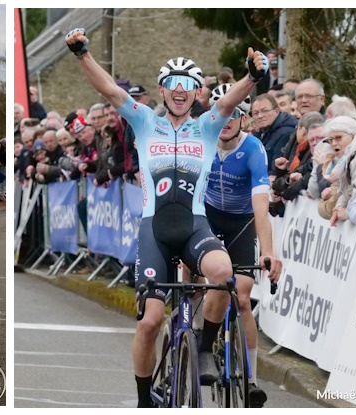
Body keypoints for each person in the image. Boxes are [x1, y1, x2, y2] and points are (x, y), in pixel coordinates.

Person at [65, 27, 276, 407]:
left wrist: (251, 76)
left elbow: (228, 102)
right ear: (162, 91)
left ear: (197, 92)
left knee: (224, 274)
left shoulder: (208, 125)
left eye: (188, 84)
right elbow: (111, 90)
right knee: (149, 322)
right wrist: (82, 54)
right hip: (155, 231)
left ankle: (206, 345)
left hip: (195, 226)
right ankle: (145, 400)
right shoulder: (145, 121)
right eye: (172, 84)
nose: (180, 90)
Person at [202, 84, 283, 406]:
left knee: (243, 297)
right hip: (205, 218)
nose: (227, 120)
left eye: (234, 114)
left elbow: (260, 207)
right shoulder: (202, 144)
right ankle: (192, 343)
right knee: (196, 286)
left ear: (243, 118)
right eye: (222, 113)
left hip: (240, 222)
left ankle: (249, 378)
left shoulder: (253, 150)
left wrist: (268, 252)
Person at [251, 94, 298, 178]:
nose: (260, 116)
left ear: (276, 111)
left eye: (265, 111)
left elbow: (275, 172)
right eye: (255, 113)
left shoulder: (285, 133)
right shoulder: (261, 132)